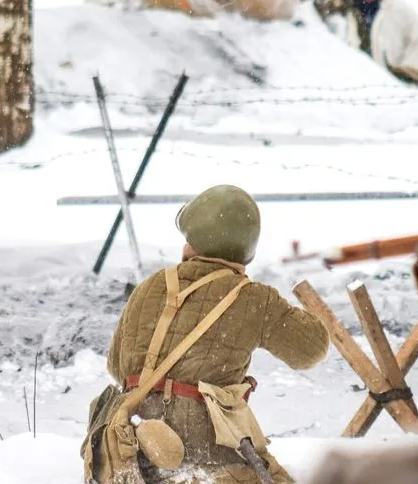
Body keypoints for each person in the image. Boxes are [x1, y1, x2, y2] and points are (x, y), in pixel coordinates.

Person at [82, 184, 330, 483]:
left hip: (134, 450)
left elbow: (117, 367)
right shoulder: (255, 299)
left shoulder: (149, 287)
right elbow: (311, 351)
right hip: (210, 456)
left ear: (191, 242)